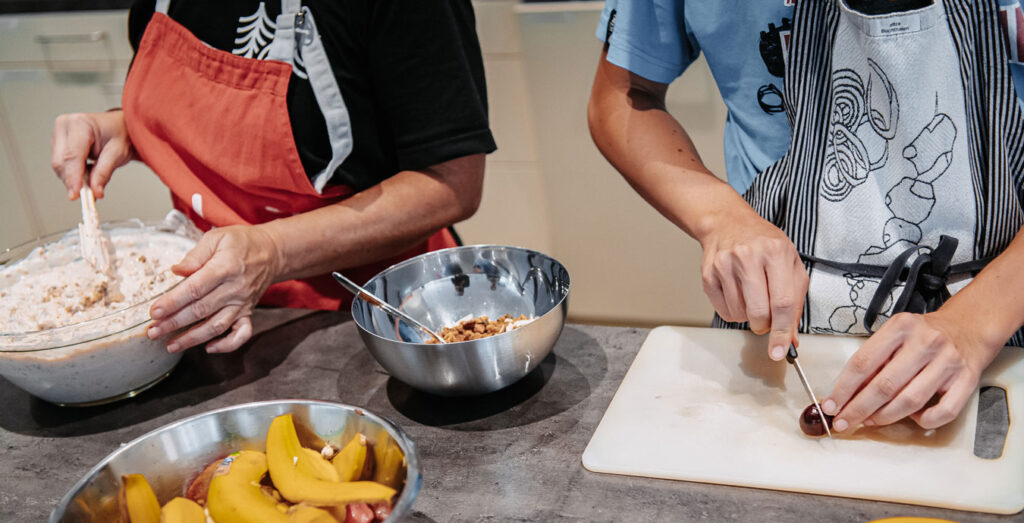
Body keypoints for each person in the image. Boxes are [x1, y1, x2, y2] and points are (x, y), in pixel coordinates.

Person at [588, 0, 1024, 434]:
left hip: (1006, 329)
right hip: (773, 341)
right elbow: (621, 97)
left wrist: (975, 324)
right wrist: (720, 217)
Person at [51, 0, 496, 355]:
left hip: (376, 320)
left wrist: (272, 250)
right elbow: (217, 123)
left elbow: (451, 182)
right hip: (208, 317)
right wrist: (128, 126)